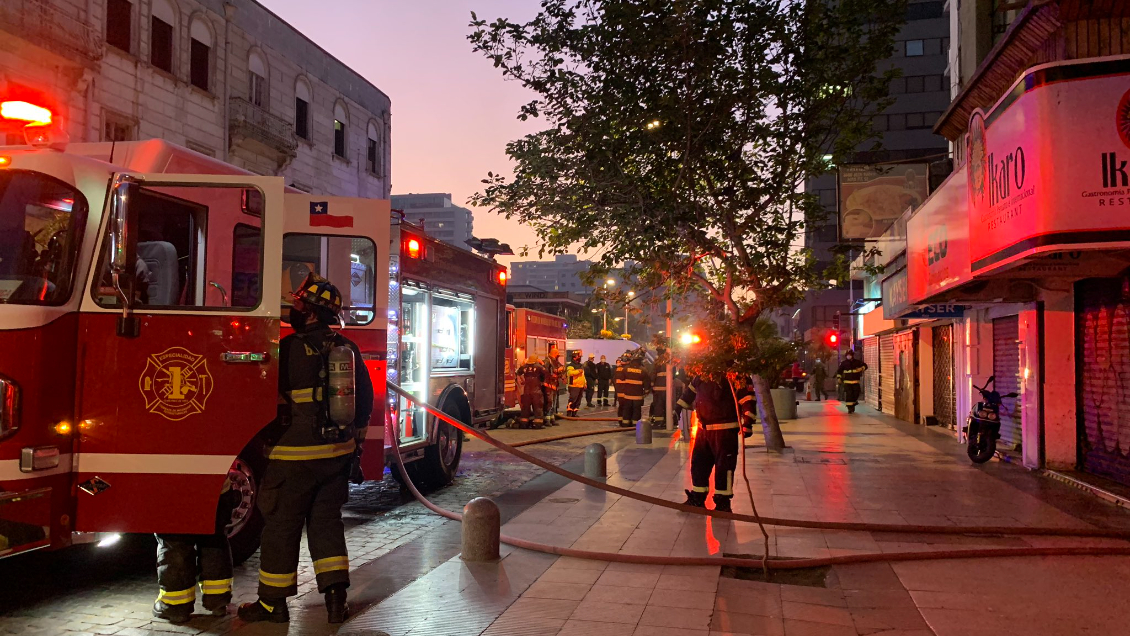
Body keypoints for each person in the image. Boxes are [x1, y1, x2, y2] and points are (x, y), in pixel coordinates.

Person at [238, 274, 374, 624]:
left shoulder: (290, 349)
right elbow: (364, 405)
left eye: (299, 304)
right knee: (327, 525)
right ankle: (335, 600)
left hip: (292, 458)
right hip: (336, 457)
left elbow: (264, 401)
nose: (293, 308)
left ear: (312, 313)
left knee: (281, 526)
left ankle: (272, 603)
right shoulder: (347, 349)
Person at [152, 484, 239, 623]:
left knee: (174, 543)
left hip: (172, 488)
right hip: (216, 487)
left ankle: (175, 606)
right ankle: (218, 600)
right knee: (214, 539)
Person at [673, 373, 756, 512]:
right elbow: (690, 392)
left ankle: (722, 503)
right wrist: (678, 407)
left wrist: (748, 422)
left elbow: (747, 399)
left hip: (725, 431)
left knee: (724, 468)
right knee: (699, 465)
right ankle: (697, 498)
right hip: (703, 430)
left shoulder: (735, 375)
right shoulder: (701, 375)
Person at [616, 350, 651, 428]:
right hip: (638, 396)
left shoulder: (625, 369)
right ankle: (635, 425)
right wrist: (646, 391)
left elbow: (621, 378)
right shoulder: (643, 370)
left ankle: (625, 424)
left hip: (627, 395)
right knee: (636, 411)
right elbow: (647, 383)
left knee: (627, 410)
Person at [516, 355, 546, 429]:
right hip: (536, 391)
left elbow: (518, 372)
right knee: (538, 407)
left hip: (526, 391)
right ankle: (537, 424)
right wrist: (542, 364)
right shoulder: (539, 366)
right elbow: (546, 373)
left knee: (525, 408)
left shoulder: (524, 367)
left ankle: (524, 423)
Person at [649, 347, 670, 428]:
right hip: (668, 389)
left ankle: (658, 422)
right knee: (667, 405)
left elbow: (653, 374)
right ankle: (667, 421)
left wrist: (651, 385)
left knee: (658, 405)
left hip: (658, 389)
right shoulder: (670, 362)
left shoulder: (657, 363)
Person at [543, 348, 564, 426]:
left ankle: (552, 418)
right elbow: (545, 372)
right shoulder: (548, 361)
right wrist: (556, 371)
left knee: (553, 403)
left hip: (554, 385)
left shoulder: (554, 361)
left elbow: (561, 368)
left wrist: (560, 370)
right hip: (549, 385)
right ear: (554, 353)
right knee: (549, 402)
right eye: (557, 353)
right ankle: (547, 419)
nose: (558, 355)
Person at [565, 352, 588, 417]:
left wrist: (585, 383)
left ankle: (575, 412)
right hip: (574, 385)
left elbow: (583, 375)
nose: (580, 358)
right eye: (578, 357)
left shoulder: (580, 365)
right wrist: (578, 371)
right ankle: (569, 412)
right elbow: (570, 373)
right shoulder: (570, 365)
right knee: (573, 399)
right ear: (574, 357)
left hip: (581, 385)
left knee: (578, 400)